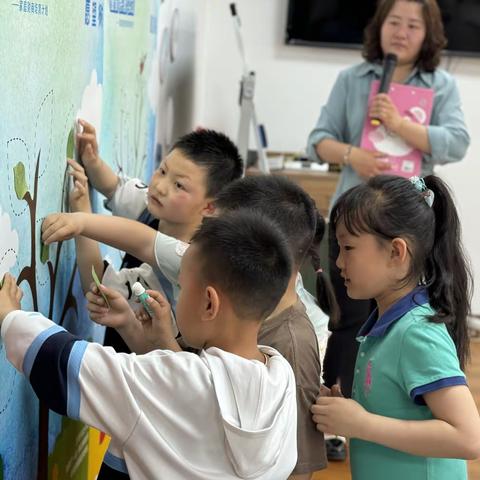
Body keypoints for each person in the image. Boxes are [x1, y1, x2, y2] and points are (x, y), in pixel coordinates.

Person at [0, 211, 298, 480]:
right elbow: (190, 397)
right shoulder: (281, 379)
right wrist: (130, 325)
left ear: (209, 303)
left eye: (182, 285)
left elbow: (67, 367)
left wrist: (11, 317)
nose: (177, 295)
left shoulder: (180, 382)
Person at [306, 0, 470, 404]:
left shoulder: (441, 85)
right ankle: (338, 404)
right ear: (379, 26)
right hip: (355, 218)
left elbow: (458, 142)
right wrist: (351, 155)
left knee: (414, 312)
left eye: (413, 25)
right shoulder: (352, 78)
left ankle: (402, 398)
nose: (402, 31)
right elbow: (318, 140)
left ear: (428, 33)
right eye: (394, 22)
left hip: (409, 221)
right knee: (348, 317)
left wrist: (400, 125)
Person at [311, 174, 480, 480]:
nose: (338, 263)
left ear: (396, 252)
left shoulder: (417, 332)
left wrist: (362, 425)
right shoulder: (384, 324)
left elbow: (469, 438)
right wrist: (346, 411)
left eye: (347, 248)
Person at [65, 126, 243, 352]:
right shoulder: (158, 206)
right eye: (162, 171)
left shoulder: (185, 268)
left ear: (210, 206)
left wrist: (82, 216)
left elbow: (97, 285)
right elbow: (114, 187)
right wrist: (92, 161)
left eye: (179, 185)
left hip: (138, 366)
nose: (160, 186)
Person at [214, 175, 338, 479]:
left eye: (217, 240)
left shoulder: (291, 346)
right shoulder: (238, 310)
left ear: (258, 255)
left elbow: (297, 468)